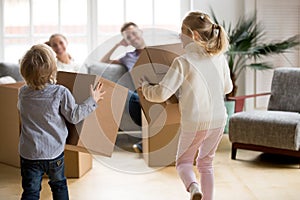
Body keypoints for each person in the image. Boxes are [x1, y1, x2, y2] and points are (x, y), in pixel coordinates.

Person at [139, 11, 233, 200]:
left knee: (183, 163)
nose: (179, 40)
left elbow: (161, 94)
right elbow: (227, 88)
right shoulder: (219, 58)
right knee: (206, 164)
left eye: (181, 35)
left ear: (194, 36)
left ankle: (193, 188)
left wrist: (145, 88)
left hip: (195, 123)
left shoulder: (183, 62)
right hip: (218, 120)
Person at [18, 44, 105, 200]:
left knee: (30, 191)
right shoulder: (60, 92)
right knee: (59, 186)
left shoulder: (23, 92)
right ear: (53, 69)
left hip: (29, 153)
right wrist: (93, 100)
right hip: (54, 153)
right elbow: (74, 116)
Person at [100, 22, 146, 153]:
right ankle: (148, 139)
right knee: (130, 96)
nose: (132, 38)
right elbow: (103, 60)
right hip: (142, 91)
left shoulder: (156, 51)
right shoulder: (128, 57)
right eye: (128, 37)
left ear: (140, 32)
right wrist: (117, 45)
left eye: (134, 33)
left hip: (160, 88)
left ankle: (147, 140)